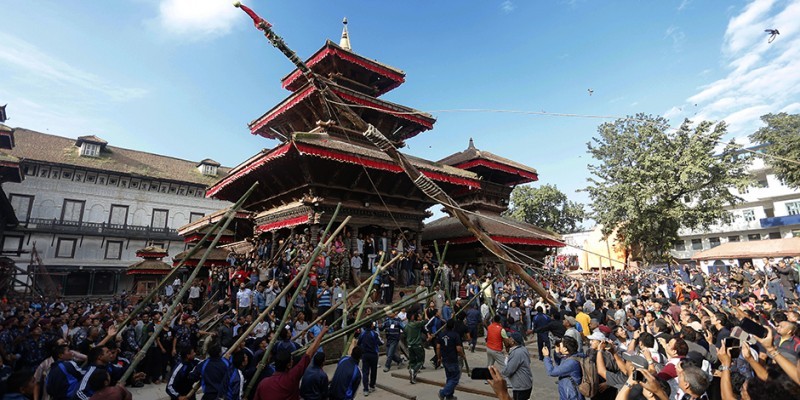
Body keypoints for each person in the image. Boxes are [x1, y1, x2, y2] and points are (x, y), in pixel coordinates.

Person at [253, 324, 328, 400]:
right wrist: (321, 333)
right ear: (289, 365)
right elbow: (309, 353)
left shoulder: (263, 383)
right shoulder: (292, 377)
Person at [436, 319, 463, 400]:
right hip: (452, 359)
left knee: (449, 378)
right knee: (455, 379)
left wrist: (439, 358)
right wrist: (463, 355)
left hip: (445, 359)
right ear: (453, 326)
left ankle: (449, 396)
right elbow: (458, 349)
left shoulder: (441, 334)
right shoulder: (455, 335)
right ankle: (443, 393)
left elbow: (438, 347)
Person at [502, 332, 533, 400]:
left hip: (521, 386)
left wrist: (500, 373)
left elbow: (509, 370)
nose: (508, 339)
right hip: (525, 383)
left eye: (510, 338)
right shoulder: (523, 349)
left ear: (513, 341)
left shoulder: (517, 353)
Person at [357, 320, 382, 396]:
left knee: (365, 372)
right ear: (371, 325)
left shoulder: (362, 334)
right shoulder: (374, 333)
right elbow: (380, 343)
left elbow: (358, 343)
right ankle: (372, 386)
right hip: (373, 354)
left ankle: (365, 389)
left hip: (365, 355)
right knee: (373, 371)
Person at [404, 312, 425, 384]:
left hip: (410, 345)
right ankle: (414, 370)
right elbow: (426, 321)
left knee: (412, 361)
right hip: (417, 344)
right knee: (420, 361)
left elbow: (405, 334)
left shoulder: (406, 326)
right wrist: (425, 313)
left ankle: (413, 376)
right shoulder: (417, 324)